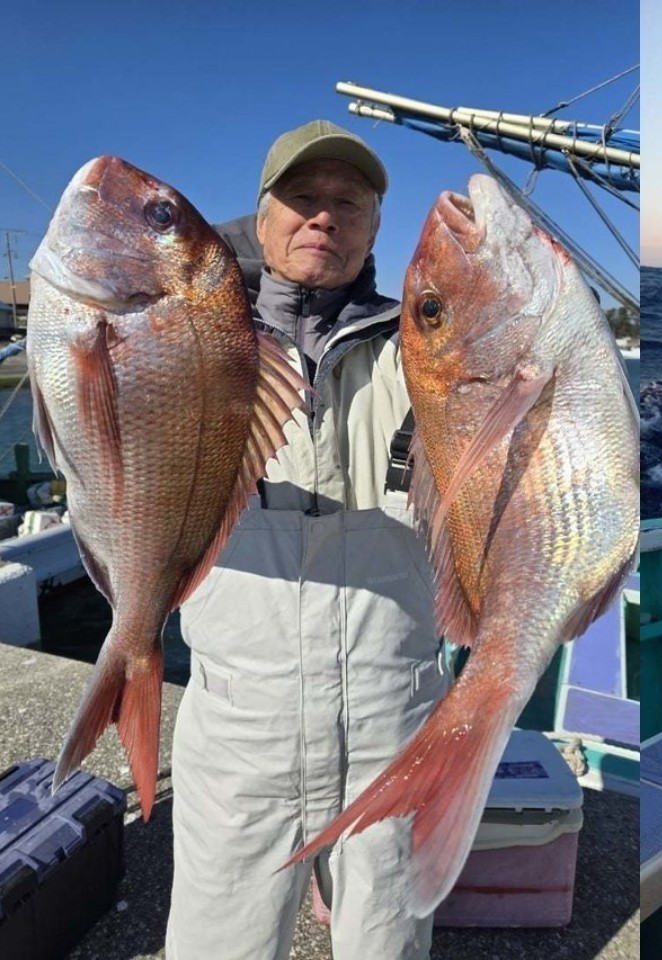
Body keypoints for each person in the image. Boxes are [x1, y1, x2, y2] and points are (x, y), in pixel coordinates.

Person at [165, 120, 449, 960]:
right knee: (219, 942)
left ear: (373, 230)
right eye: (303, 199)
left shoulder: (424, 347)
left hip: (394, 720)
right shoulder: (193, 340)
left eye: (347, 204)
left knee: (390, 942)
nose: (323, 218)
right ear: (262, 216)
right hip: (237, 725)